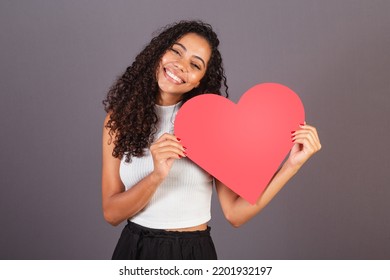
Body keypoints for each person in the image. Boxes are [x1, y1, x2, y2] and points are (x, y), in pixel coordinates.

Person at [101, 20, 321, 260]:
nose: (181, 66)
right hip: (134, 249)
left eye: (195, 64)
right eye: (176, 51)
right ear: (159, 52)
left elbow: (235, 215)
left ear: (199, 81)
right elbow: (111, 214)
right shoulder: (120, 119)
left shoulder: (211, 127)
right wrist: (156, 176)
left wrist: (292, 165)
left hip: (193, 252)